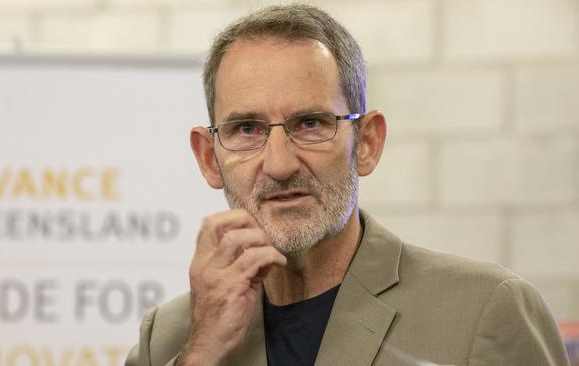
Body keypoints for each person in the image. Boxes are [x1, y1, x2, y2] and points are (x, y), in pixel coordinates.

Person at [126, 4, 570, 366]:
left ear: (367, 143)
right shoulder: (168, 338)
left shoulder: (482, 311)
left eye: (312, 123)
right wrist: (200, 354)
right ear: (209, 158)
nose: (279, 165)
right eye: (246, 129)